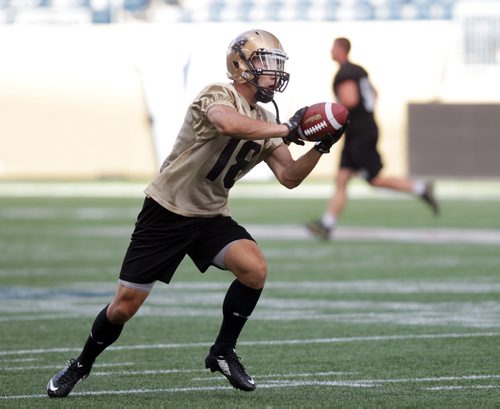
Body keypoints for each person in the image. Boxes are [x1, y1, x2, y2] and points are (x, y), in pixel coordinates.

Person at [46, 29, 346, 398]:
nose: (273, 73)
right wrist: (288, 128)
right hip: (167, 210)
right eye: (266, 63)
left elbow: (288, 177)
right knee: (123, 307)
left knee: (255, 269)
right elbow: (227, 124)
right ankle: (81, 365)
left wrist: (321, 148)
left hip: (210, 215)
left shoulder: (266, 118)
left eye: (276, 65)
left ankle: (222, 351)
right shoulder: (219, 94)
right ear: (241, 66)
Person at [307, 37, 439, 240]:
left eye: (333, 48)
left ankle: (421, 188)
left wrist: (331, 114)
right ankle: (327, 224)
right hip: (359, 129)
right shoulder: (358, 70)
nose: (330, 51)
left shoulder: (345, 72)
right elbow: (374, 93)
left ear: (341, 49)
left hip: (360, 131)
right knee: (341, 178)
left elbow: (350, 100)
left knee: (375, 179)